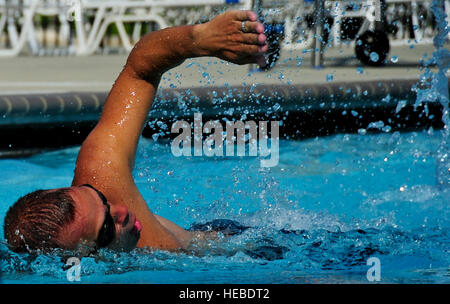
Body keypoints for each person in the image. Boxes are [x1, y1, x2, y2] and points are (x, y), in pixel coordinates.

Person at [3, 10, 268, 254]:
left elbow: (140, 68)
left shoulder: (100, 172)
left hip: (244, 240)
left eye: (102, 200)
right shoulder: (147, 261)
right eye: (107, 229)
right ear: (78, 258)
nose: (122, 210)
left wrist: (200, 38)